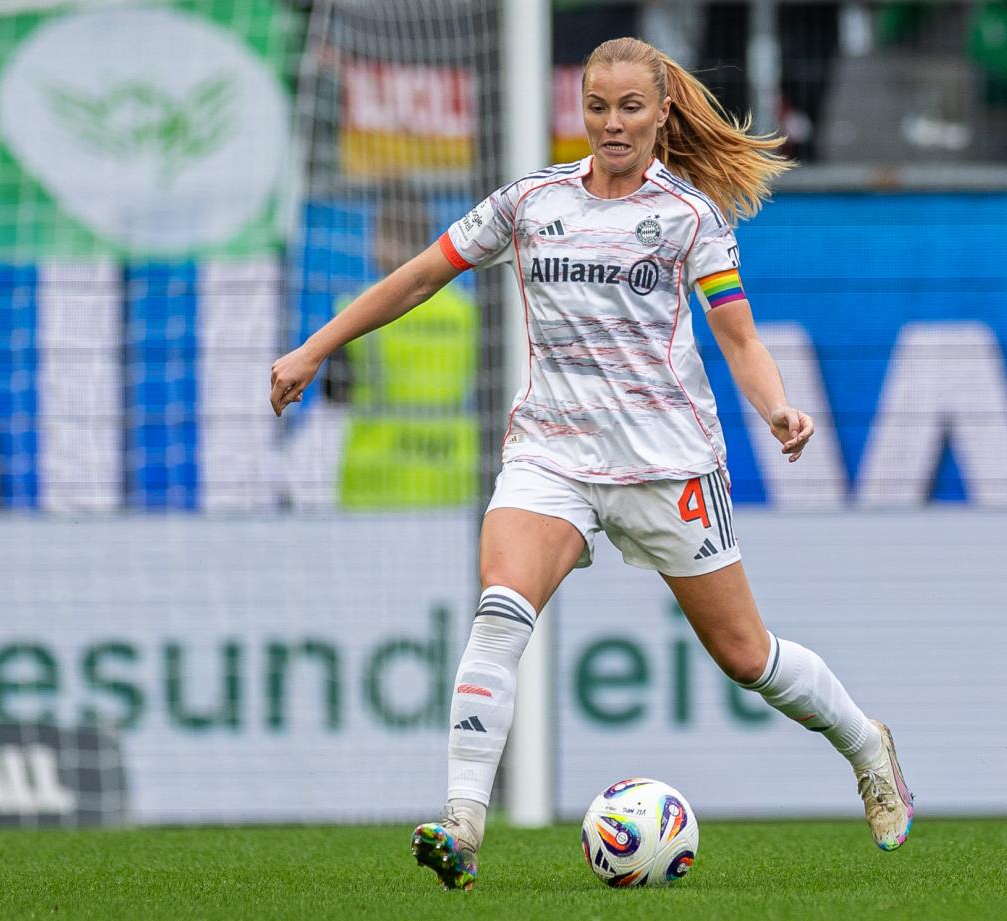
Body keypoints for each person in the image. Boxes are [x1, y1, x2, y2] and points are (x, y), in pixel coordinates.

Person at [269, 36, 913, 892]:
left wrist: (777, 408)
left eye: (630, 108)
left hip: (666, 463)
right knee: (501, 607)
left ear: (662, 113)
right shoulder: (531, 201)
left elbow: (738, 336)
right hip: (553, 453)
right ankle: (462, 823)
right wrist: (314, 347)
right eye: (598, 107)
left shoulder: (689, 216)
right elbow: (421, 275)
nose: (612, 124)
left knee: (746, 655)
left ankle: (867, 746)